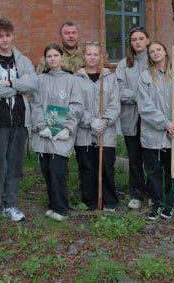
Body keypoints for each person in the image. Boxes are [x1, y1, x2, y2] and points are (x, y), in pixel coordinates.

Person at [0, 18, 38, 224]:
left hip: (20, 121)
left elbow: (33, 84)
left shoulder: (23, 60)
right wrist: (19, 86)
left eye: (8, 35)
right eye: (0, 36)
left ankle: (11, 203)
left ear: (13, 36)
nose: (4, 39)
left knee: (15, 165)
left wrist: (10, 82)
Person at [138, 41, 174, 220]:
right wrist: (165, 123)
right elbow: (145, 106)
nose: (155, 53)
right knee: (153, 170)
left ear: (165, 52)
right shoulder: (145, 76)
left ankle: (170, 203)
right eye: (152, 51)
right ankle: (156, 202)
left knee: (171, 170)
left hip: (173, 133)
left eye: (158, 49)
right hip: (153, 132)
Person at [30, 43, 83, 221]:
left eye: (55, 55)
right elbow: (35, 104)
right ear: (45, 59)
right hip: (43, 132)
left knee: (57, 170)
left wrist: (66, 128)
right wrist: (41, 125)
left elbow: (75, 105)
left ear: (61, 57)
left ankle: (61, 208)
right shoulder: (39, 80)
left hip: (62, 132)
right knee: (46, 170)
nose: (52, 59)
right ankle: (52, 205)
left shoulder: (71, 80)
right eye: (49, 56)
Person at [74, 43, 121, 211]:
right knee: (87, 168)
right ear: (83, 57)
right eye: (89, 54)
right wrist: (91, 121)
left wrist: (104, 121)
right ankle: (90, 201)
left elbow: (115, 104)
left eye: (95, 54)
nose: (92, 57)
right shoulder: (76, 79)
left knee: (107, 166)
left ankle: (109, 201)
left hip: (106, 132)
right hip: (84, 133)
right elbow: (76, 105)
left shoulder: (109, 77)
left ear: (101, 57)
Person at [115, 27, 150, 210]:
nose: (137, 42)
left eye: (141, 38)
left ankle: (153, 192)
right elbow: (119, 91)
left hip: (151, 119)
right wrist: (139, 96)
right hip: (130, 118)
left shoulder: (154, 61)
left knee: (152, 158)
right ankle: (136, 194)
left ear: (148, 40)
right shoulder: (123, 65)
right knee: (135, 159)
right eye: (134, 39)